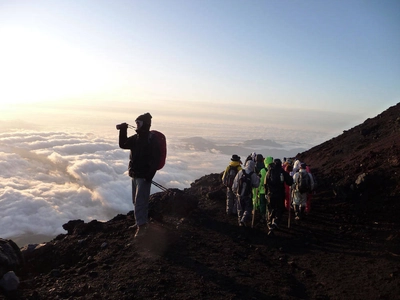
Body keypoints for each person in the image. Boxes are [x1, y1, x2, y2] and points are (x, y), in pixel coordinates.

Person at [118, 112, 160, 238]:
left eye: (138, 123)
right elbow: (123, 144)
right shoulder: (137, 138)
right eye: (136, 123)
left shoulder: (151, 139)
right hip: (136, 174)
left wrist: (150, 174)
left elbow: (156, 158)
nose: (136, 125)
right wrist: (123, 130)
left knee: (140, 201)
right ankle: (140, 222)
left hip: (144, 176)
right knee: (136, 201)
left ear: (145, 124)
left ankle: (142, 226)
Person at [264, 158, 293, 235]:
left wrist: (266, 193)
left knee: (271, 209)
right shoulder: (282, 172)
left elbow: (265, 183)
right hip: (280, 194)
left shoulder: (269, 172)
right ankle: (275, 223)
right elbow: (290, 182)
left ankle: (270, 224)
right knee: (279, 209)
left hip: (271, 194)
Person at [232, 159, 260, 227]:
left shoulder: (240, 172)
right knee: (248, 209)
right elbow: (256, 185)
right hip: (248, 195)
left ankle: (240, 223)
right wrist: (258, 178)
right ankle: (243, 220)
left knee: (240, 209)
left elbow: (235, 183)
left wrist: (235, 191)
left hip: (239, 194)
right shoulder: (252, 174)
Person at [258, 156, 273, 224]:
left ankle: (263, 217)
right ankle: (269, 217)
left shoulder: (262, 170)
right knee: (269, 205)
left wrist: (258, 188)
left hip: (262, 191)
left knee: (262, 204)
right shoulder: (273, 170)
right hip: (271, 191)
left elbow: (260, 181)